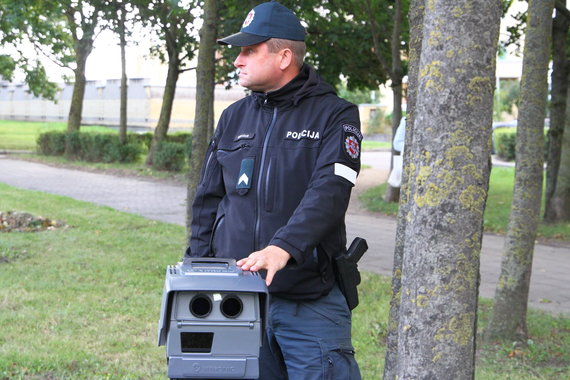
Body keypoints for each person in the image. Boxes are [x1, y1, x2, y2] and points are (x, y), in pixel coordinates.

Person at [186, 2, 362, 379]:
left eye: (249, 50)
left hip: (308, 298)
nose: (237, 60)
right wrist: (197, 269)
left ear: (284, 57)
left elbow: (330, 190)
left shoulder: (335, 115)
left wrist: (283, 248)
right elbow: (208, 200)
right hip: (236, 299)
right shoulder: (233, 117)